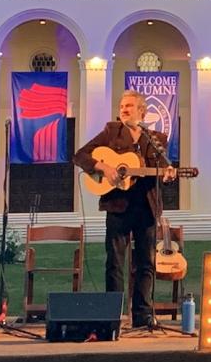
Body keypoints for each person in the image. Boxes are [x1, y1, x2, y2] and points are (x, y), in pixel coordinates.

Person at [73, 89, 177, 328]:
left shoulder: (157, 138)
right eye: (122, 106)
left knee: (145, 263)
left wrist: (169, 175)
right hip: (117, 206)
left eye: (129, 106)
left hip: (146, 207)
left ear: (142, 111)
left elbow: (161, 172)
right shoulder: (111, 132)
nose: (124, 109)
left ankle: (142, 316)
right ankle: (112, 315)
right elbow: (80, 156)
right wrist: (104, 167)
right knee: (115, 262)